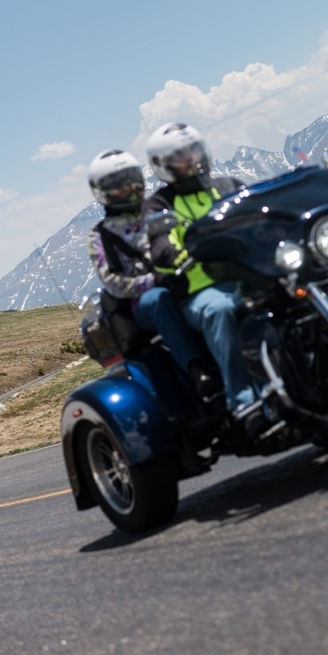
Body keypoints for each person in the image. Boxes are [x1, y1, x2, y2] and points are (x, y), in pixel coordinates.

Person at [143, 122, 280, 438]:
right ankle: (244, 402)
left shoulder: (226, 184)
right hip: (200, 290)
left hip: (247, 276)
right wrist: (172, 254)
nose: (191, 158)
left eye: (193, 149)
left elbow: (258, 212)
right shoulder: (160, 203)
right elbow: (159, 240)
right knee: (220, 311)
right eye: (180, 156)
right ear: (164, 166)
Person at [86, 148, 213, 393]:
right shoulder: (99, 235)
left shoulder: (157, 207)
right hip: (141, 303)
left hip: (181, 278)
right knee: (159, 299)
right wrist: (154, 281)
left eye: (132, 179)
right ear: (102, 191)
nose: (129, 187)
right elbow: (111, 280)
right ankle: (197, 370)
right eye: (119, 184)